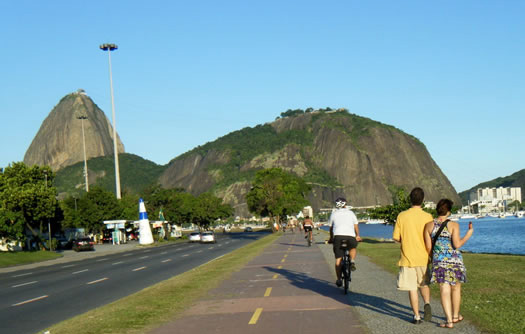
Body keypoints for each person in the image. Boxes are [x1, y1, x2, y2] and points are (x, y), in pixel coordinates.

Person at [424, 199, 473, 329]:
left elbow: (429, 248)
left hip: (439, 261)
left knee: (444, 290)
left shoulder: (428, 226)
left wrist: (435, 258)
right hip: (455, 261)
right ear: (449, 211)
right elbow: (457, 245)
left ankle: (449, 321)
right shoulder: (454, 225)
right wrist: (468, 234)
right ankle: (456, 316)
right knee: (456, 287)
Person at [393, 187, 433, 324]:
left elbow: (396, 237)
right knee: (424, 284)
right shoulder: (428, 217)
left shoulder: (401, 216)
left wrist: (406, 239)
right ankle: (427, 303)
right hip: (423, 257)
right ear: (423, 200)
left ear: (410, 199)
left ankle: (416, 316)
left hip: (407, 257)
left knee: (412, 288)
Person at [328, 197, 361, 287]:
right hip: (350, 236)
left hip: (338, 237)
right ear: (345, 204)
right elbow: (355, 226)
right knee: (352, 248)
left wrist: (331, 238)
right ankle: (352, 261)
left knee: (338, 259)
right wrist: (357, 235)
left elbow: (331, 228)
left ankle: (339, 279)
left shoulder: (333, 214)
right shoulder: (351, 213)